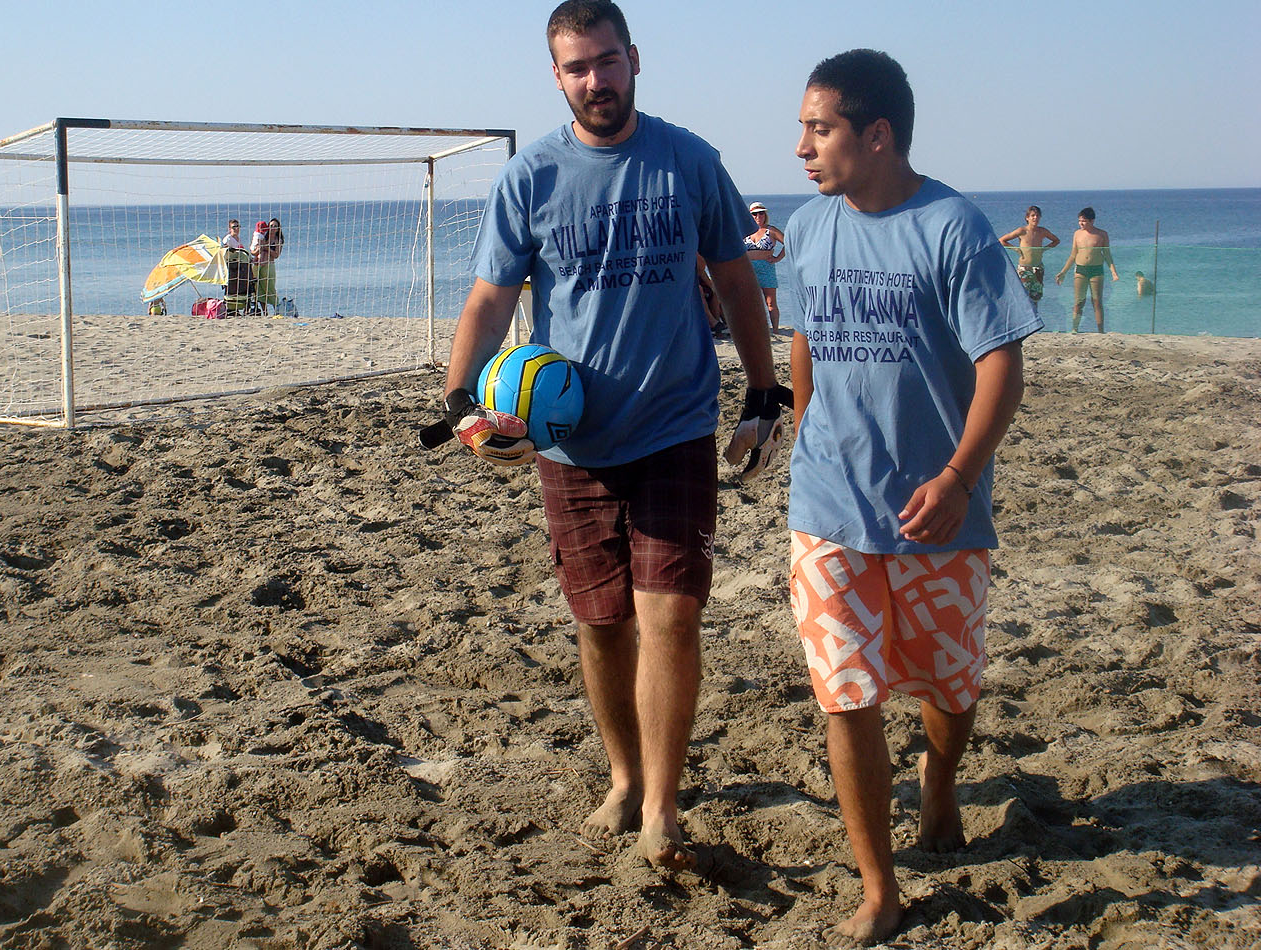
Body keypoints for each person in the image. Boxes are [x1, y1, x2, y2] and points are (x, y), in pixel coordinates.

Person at [434, 0, 787, 872]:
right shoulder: (531, 179)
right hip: (570, 440)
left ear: (635, 58)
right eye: (576, 67)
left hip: (674, 424)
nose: (595, 80)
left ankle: (663, 803)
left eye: (606, 60)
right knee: (601, 624)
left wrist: (763, 391)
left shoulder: (688, 160)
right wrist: (459, 400)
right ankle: (625, 778)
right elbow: (491, 299)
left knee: (670, 617)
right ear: (557, 77)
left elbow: (737, 284)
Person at [783, 49, 1041, 944]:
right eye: (805, 129)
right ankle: (879, 887)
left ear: (878, 134)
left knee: (949, 681)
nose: (803, 149)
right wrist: (807, 430)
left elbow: (1002, 364)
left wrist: (960, 475)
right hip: (828, 506)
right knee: (846, 692)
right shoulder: (809, 228)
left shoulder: (954, 229)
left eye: (820, 129)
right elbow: (806, 339)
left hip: (940, 505)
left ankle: (939, 780)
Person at [1055, 207, 1118, 333]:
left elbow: (1107, 254)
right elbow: (1073, 255)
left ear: (1092, 221)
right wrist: (1063, 272)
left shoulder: (1101, 234)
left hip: (1096, 270)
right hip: (1080, 270)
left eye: (1084, 221)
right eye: (1079, 221)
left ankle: (1101, 330)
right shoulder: (1077, 234)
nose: (1081, 223)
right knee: (1079, 301)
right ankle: (1074, 328)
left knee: (1097, 301)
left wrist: (1113, 272)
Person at [998, 205, 1060, 314]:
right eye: (1032, 216)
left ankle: (1034, 319)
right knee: (1023, 296)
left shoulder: (1042, 231)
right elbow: (1002, 240)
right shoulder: (1022, 231)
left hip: (1037, 268)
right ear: (1027, 218)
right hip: (1024, 268)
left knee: (1036, 297)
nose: (1035, 218)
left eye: (1037, 216)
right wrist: (1016, 249)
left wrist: (1044, 249)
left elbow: (1056, 240)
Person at [745, 201, 786, 333]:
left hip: (766, 268)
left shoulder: (771, 230)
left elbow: (790, 243)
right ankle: (756, 329)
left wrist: (777, 258)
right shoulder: (745, 231)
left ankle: (775, 330)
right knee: (751, 302)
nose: (758, 217)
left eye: (761, 213)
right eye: (755, 214)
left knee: (770, 302)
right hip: (749, 269)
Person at [254, 217, 285, 312]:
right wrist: (259, 248)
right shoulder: (262, 237)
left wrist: (267, 248)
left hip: (269, 265)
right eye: (271, 226)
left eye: (275, 226)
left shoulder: (277, 241)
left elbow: (276, 255)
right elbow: (254, 251)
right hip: (258, 264)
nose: (273, 228)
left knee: (270, 288)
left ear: (278, 228)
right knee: (258, 289)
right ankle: (265, 311)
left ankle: (277, 309)